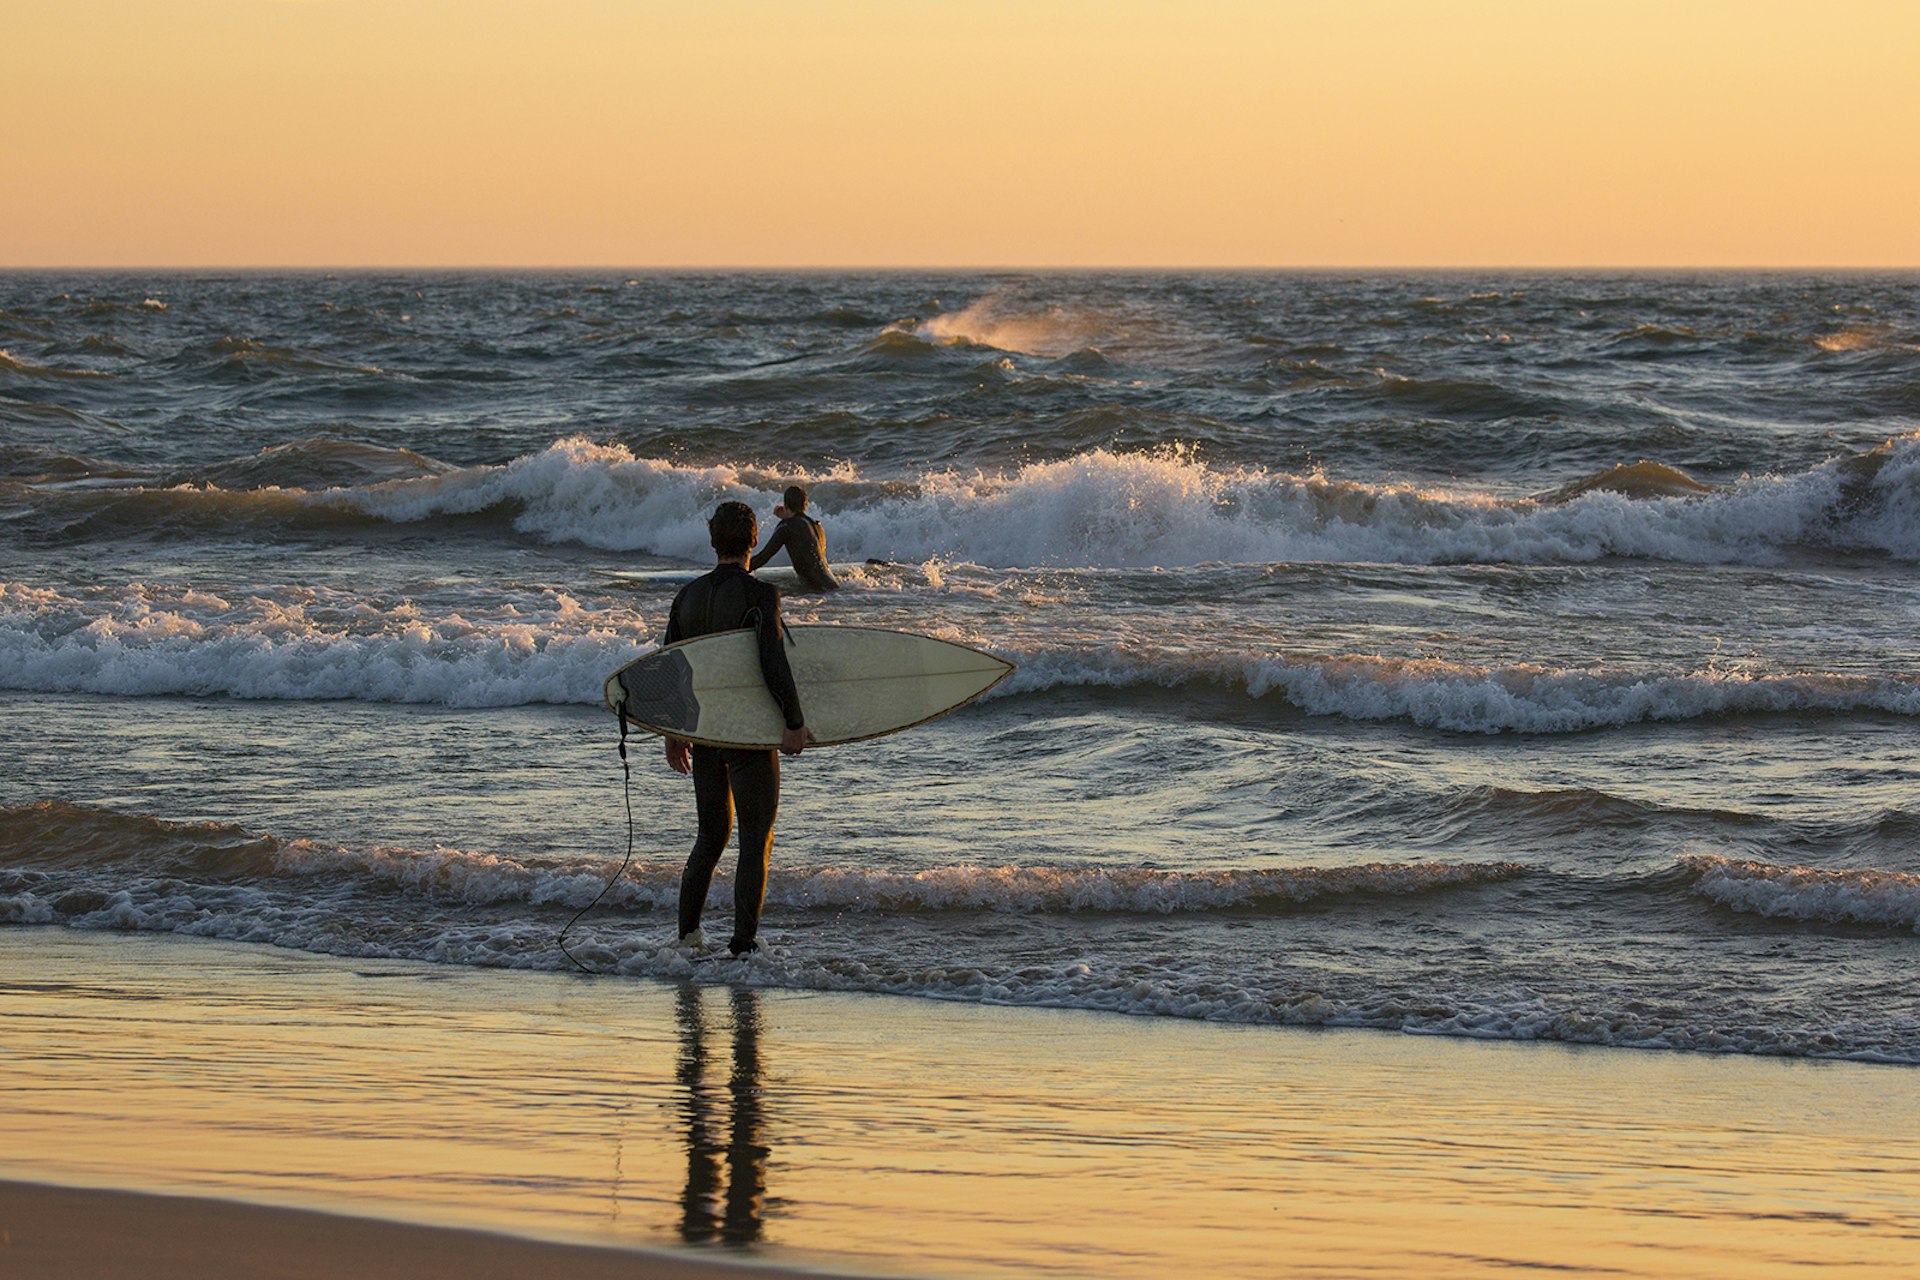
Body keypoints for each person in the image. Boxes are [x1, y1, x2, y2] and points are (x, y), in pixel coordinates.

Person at [663, 501, 814, 956]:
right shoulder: (760, 595)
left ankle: (687, 938)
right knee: (755, 836)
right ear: (753, 540)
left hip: (706, 730)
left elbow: (672, 668)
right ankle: (743, 945)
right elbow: (772, 660)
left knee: (710, 836)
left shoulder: (686, 597)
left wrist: (674, 731)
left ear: (713, 542)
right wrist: (794, 722)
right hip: (746, 733)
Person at [748, 485, 839, 593]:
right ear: (805, 504)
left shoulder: (787, 527)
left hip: (818, 590)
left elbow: (763, 557)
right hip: (833, 587)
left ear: (785, 505)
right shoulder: (817, 526)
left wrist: (733, 570)